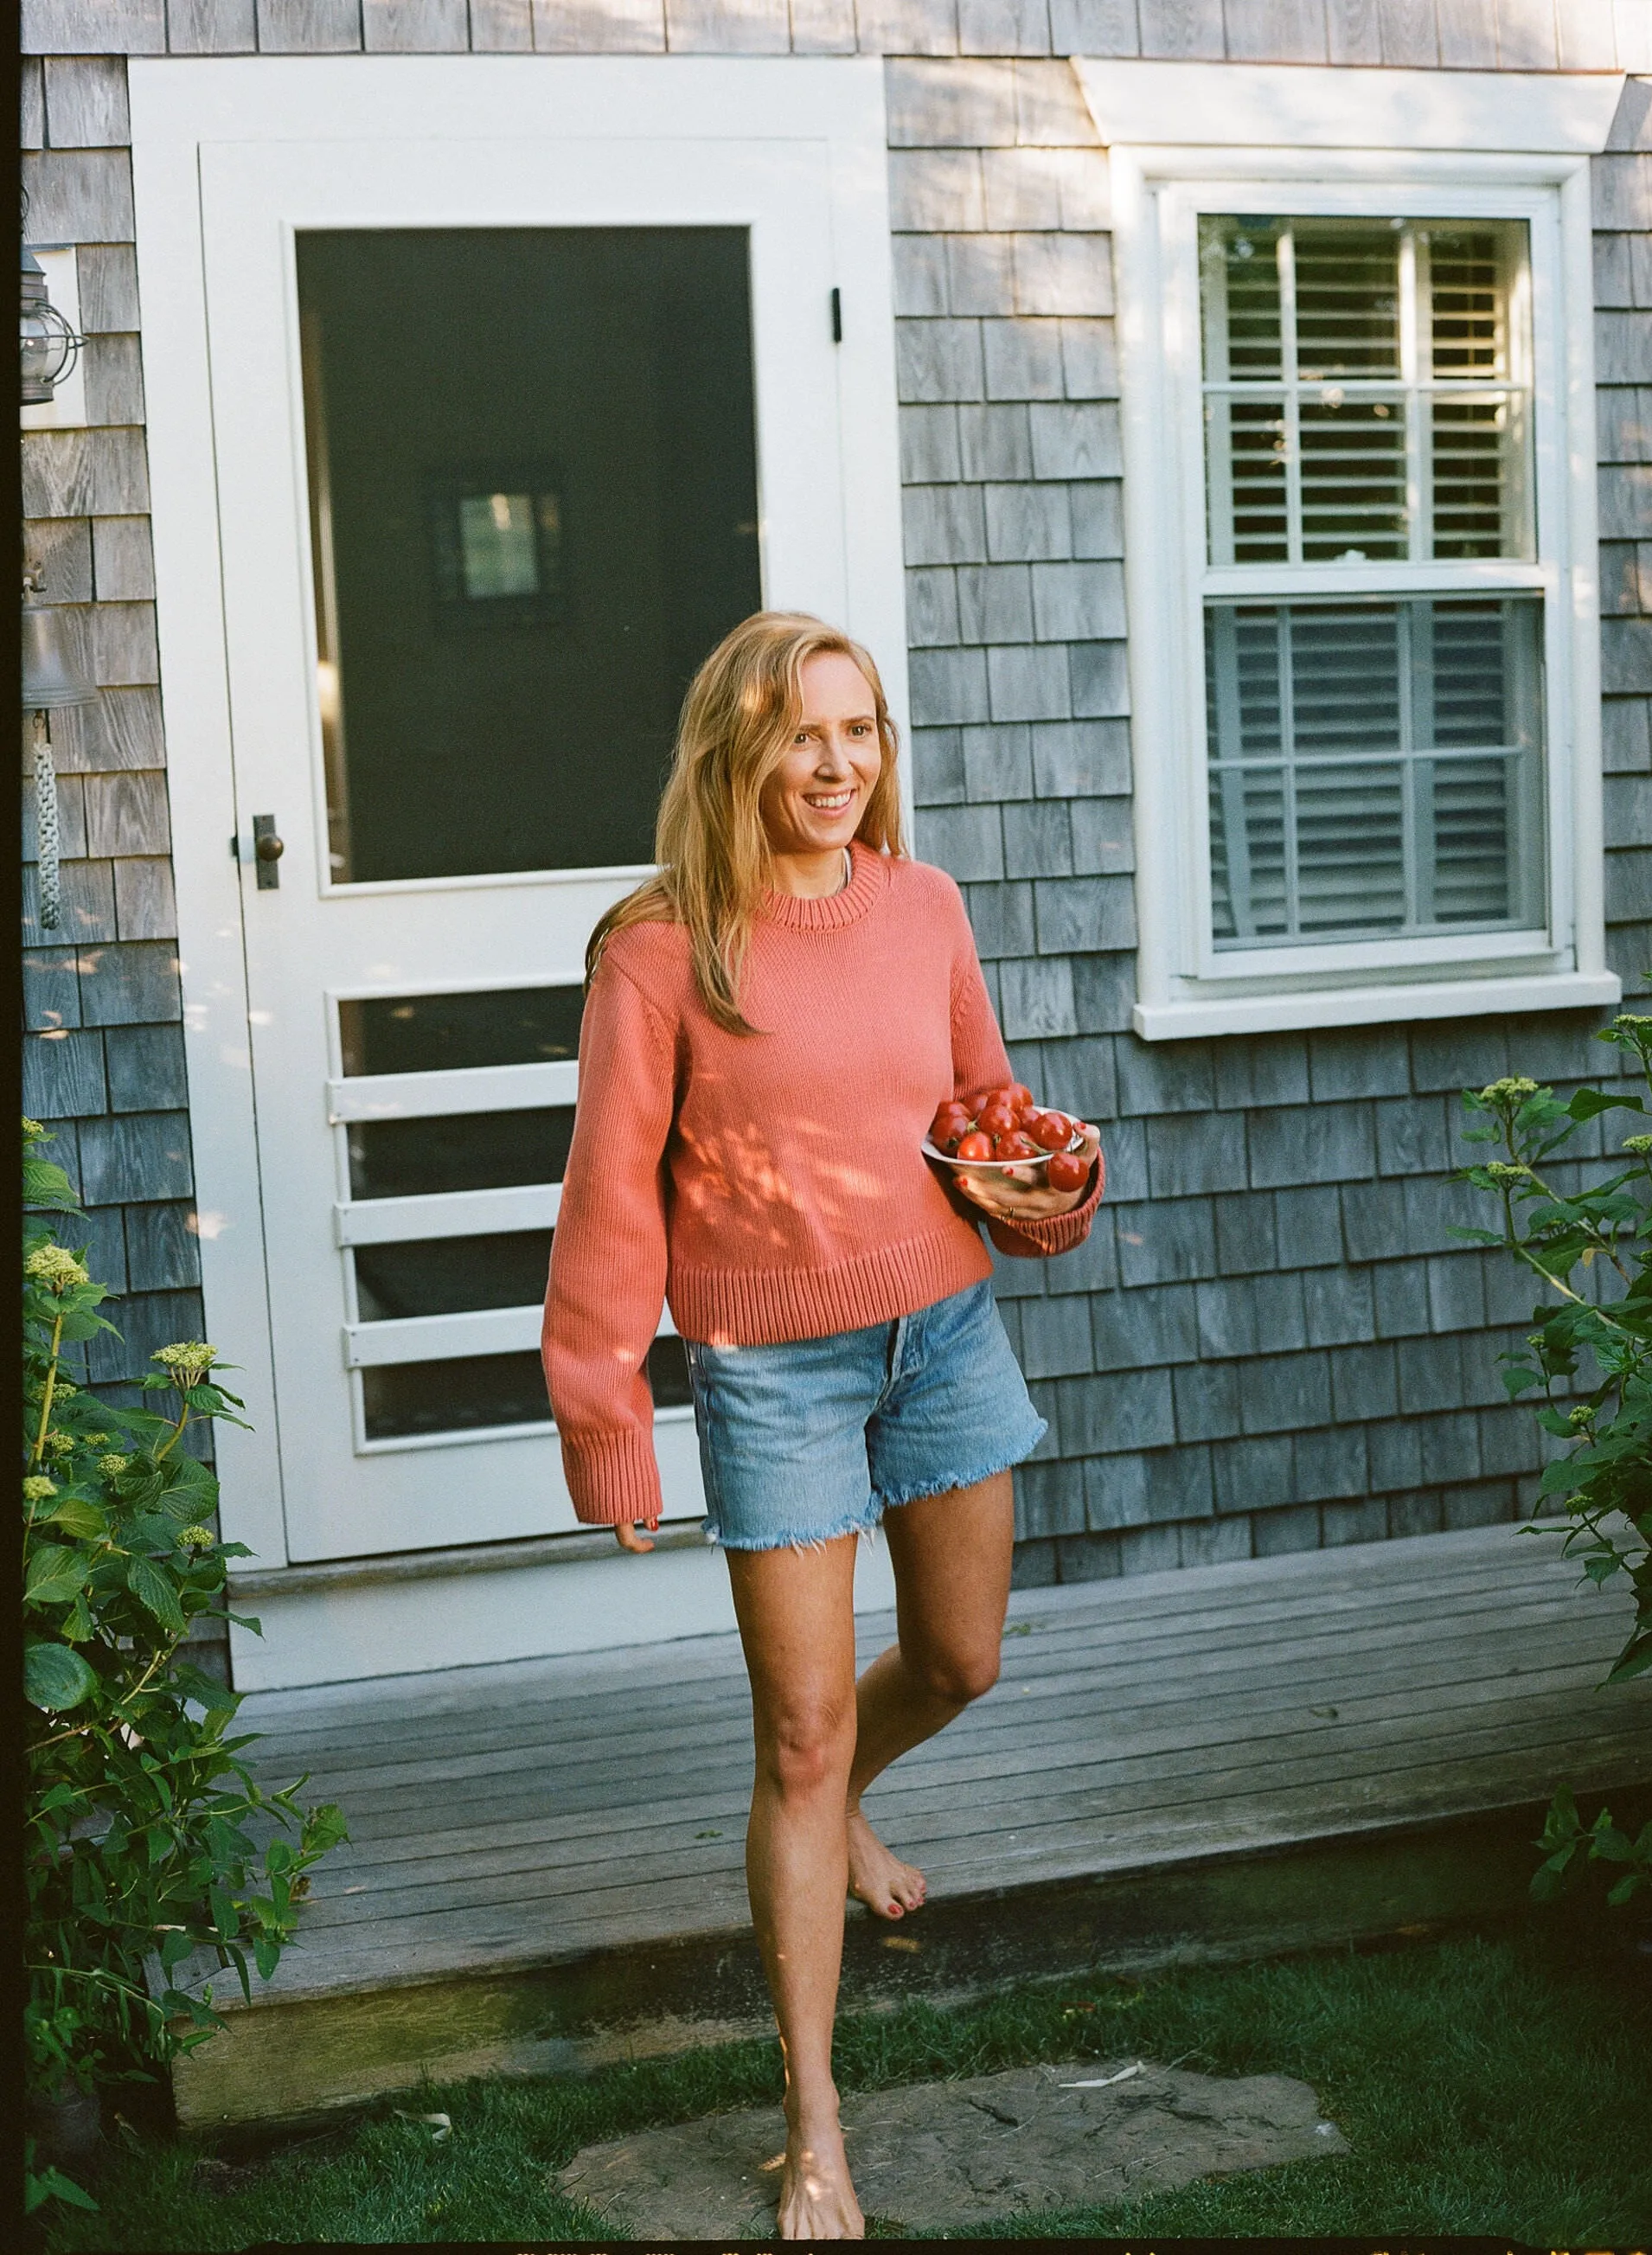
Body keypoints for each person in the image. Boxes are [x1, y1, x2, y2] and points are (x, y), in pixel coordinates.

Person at [541, 611, 1102, 2238]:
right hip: (770, 1366)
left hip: (942, 1329)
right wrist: (605, 1407)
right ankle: (816, 2123)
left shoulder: (925, 906)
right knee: (796, 1734)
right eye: (803, 735)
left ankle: (842, 1789)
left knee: (961, 1659)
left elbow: (978, 1117)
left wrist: (1042, 1186)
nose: (838, 765)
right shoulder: (659, 950)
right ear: (737, 752)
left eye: (859, 733)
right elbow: (608, 1196)